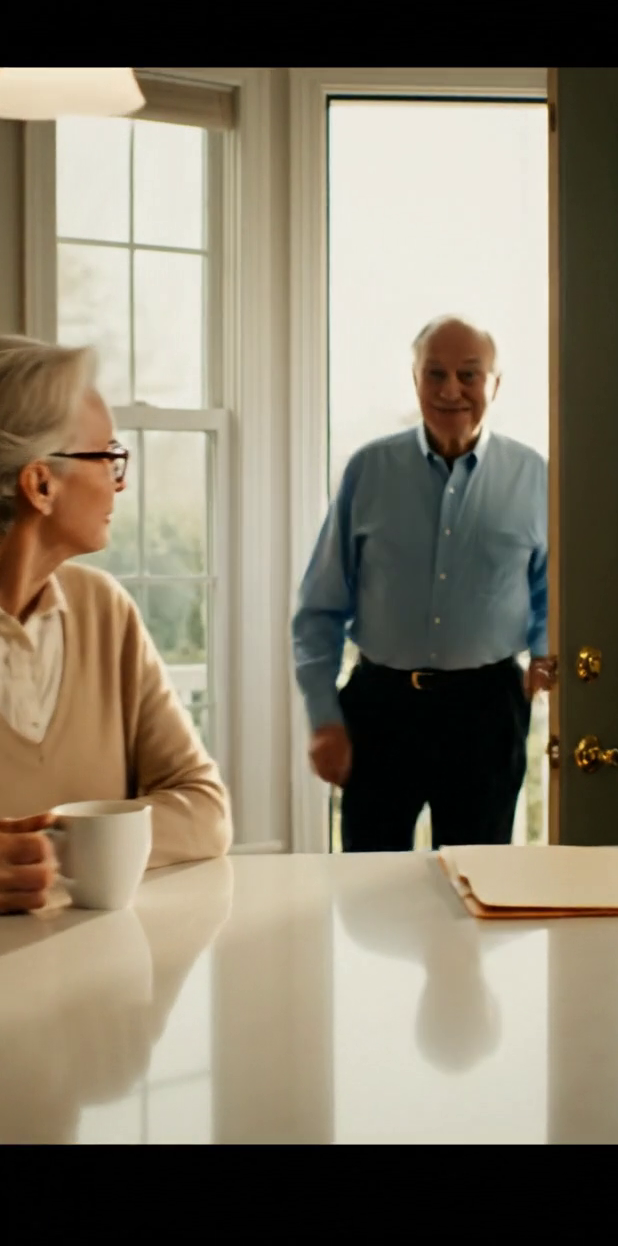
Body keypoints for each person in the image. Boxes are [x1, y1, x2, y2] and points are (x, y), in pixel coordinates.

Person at [292, 315, 555, 852]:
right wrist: (324, 718)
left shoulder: (536, 477)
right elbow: (319, 610)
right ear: (415, 380)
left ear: (495, 385)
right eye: (435, 373)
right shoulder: (369, 470)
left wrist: (544, 658)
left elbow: (552, 593)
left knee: (479, 891)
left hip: (488, 712)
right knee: (368, 897)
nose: (450, 389)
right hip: (380, 710)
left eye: (469, 375)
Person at [0, 335, 232, 914]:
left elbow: (205, 810)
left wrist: (71, 846)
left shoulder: (106, 611)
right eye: (107, 456)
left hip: (108, 988)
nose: (119, 482)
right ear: (41, 485)